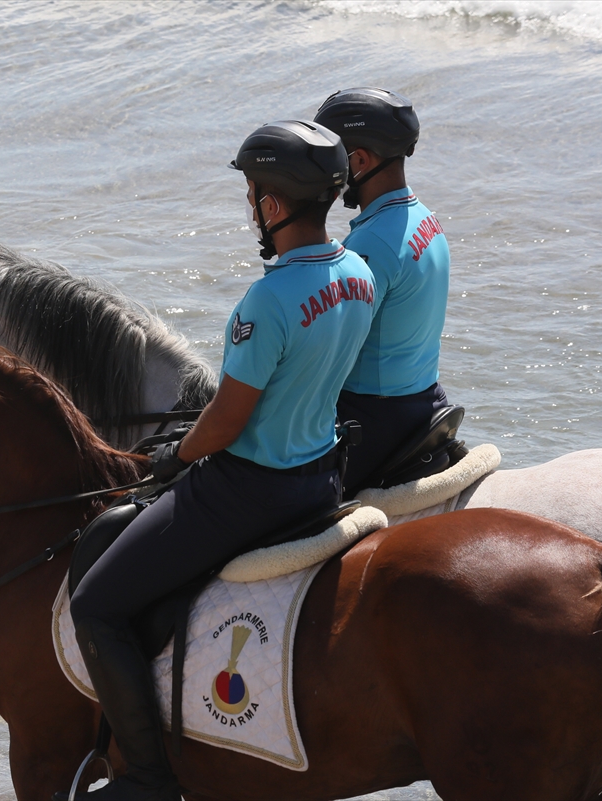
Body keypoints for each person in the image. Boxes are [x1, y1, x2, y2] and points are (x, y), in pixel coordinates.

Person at [60, 121, 375, 801]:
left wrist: (176, 453)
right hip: (321, 474)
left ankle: (146, 774)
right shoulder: (359, 275)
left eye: (254, 193)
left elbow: (227, 422)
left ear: (273, 204)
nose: (252, 206)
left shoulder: (264, 304)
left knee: (95, 606)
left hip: (249, 490)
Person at [313, 88, 453, 496]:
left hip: (372, 418)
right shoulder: (424, 218)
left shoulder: (370, 244)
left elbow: (327, 353)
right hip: (423, 397)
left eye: (332, 162)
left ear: (359, 161)